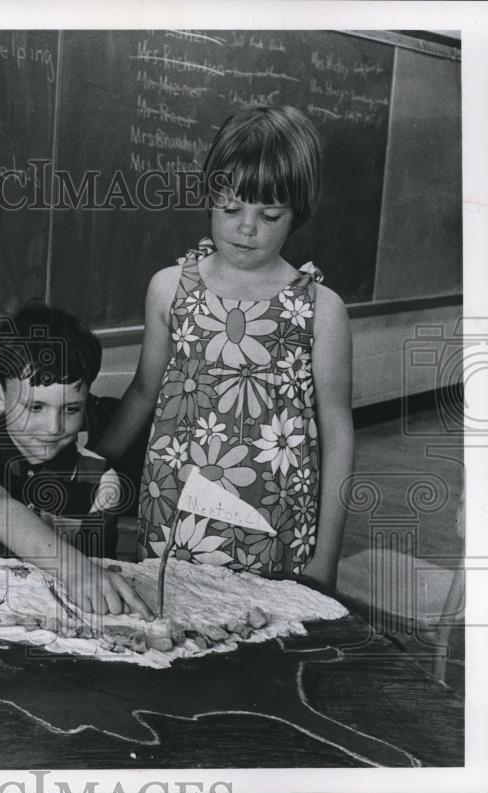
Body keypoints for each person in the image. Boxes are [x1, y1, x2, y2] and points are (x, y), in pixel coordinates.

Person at [96, 105, 354, 592]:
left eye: (269, 213)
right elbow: (143, 391)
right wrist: (91, 463)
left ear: (298, 212)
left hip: (276, 524)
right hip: (175, 516)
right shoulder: (169, 288)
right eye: (231, 208)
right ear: (209, 199)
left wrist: (326, 558)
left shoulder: (321, 308)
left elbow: (338, 432)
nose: (247, 227)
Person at [0, 303, 156, 618]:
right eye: (35, 407)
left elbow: (95, 576)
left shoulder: (101, 480)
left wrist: (84, 577)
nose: (54, 428)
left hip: (63, 617)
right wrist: (73, 569)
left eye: (71, 409)